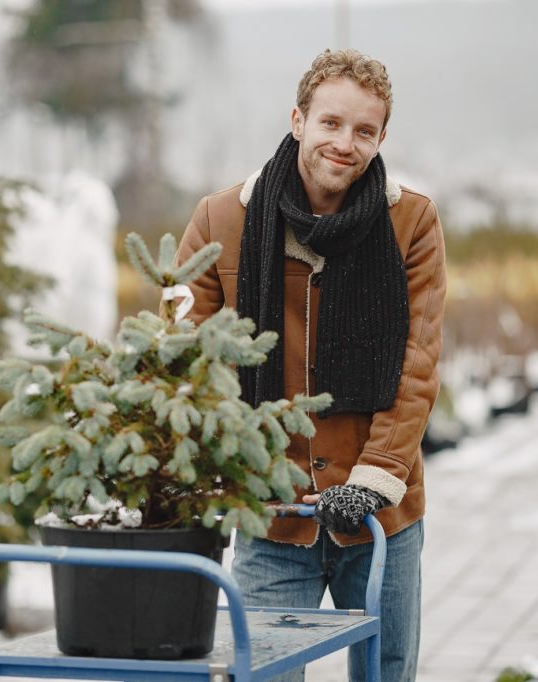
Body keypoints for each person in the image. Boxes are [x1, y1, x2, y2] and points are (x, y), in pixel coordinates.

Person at [172, 48, 446, 681]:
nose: (344, 143)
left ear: (381, 139)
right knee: (261, 672)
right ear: (297, 120)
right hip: (273, 517)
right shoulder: (221, 219)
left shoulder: (411, 221)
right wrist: (225, 465)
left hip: (380, 517)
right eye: (330, 123)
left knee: (386, 672)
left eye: (363, 131)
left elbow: (419, 363)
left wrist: (377, 475)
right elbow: (181, 353)